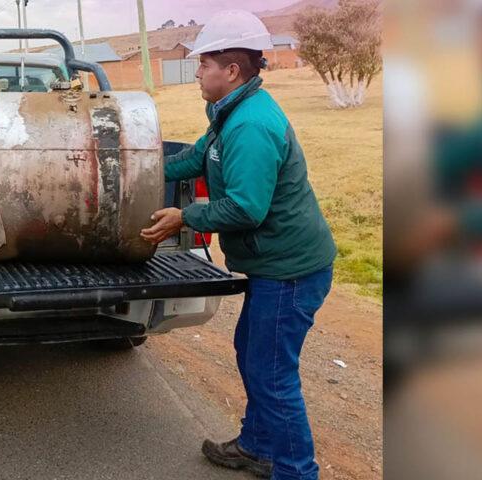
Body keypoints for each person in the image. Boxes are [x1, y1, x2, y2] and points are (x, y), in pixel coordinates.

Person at [139, 10, 336, 480]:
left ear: (231, 70)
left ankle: (296, 472)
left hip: (291, 270)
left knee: (272, 375)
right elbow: (195, 158)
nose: (197, 72)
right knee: (253, 354)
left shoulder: (250, 125)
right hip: (275, 265)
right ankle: (258, 447)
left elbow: (247, 209)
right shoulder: (230, 114)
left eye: (204, 63)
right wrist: (138, 167)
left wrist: (185, 216)